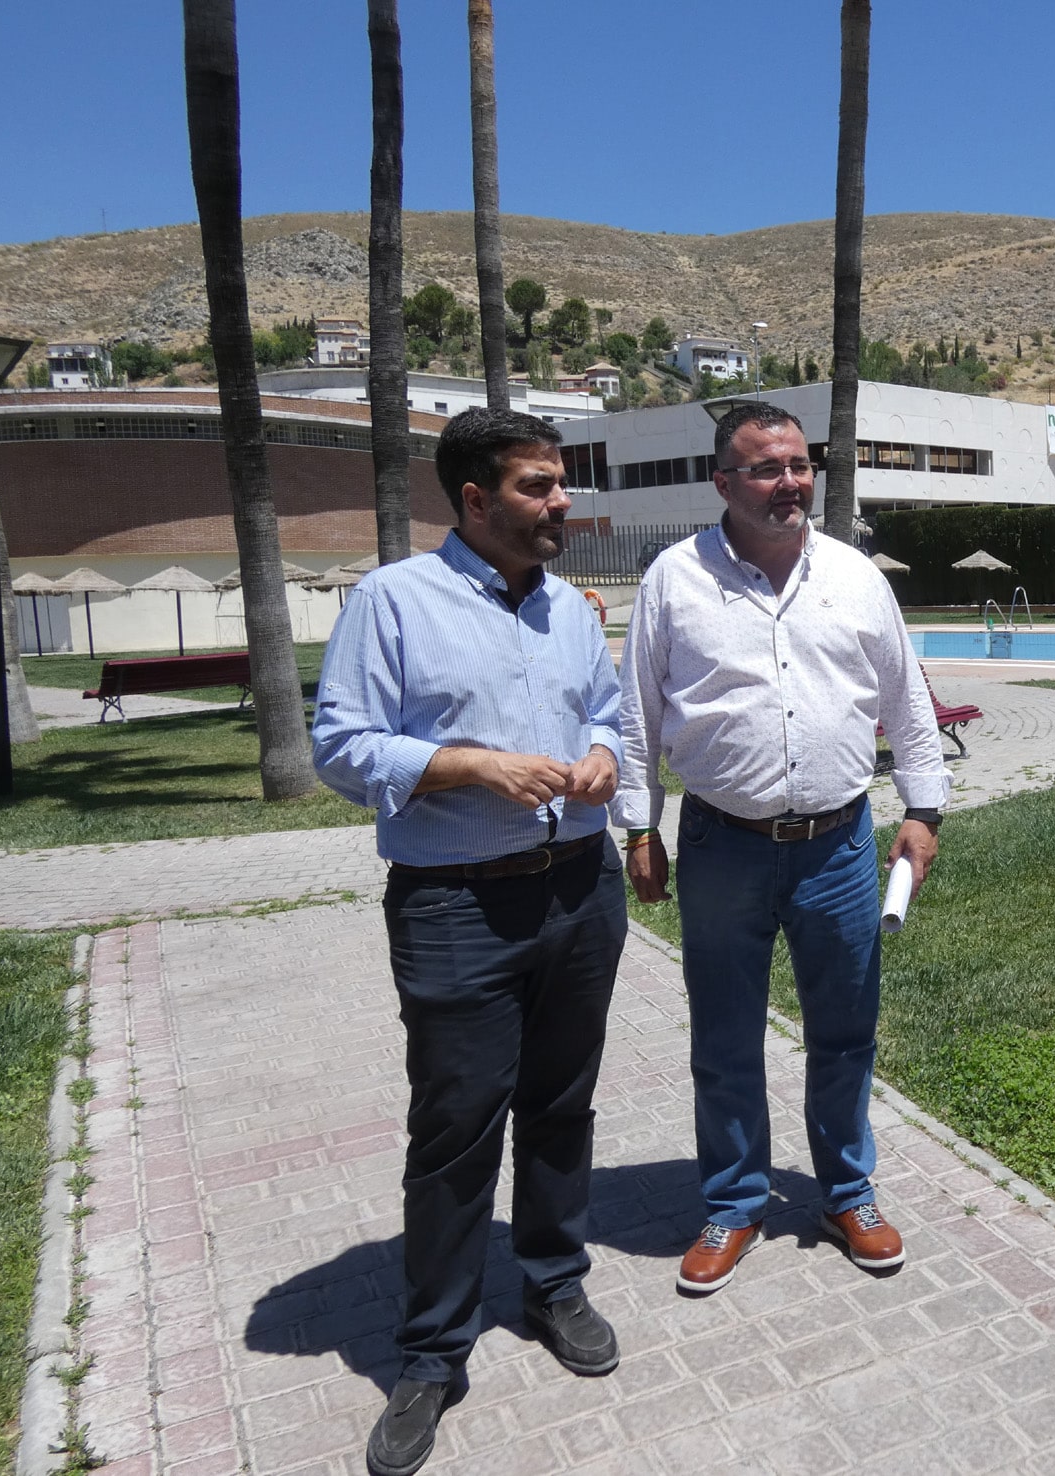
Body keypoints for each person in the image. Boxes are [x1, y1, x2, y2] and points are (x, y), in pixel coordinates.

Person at [312, 407, 629, 1476]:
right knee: (455, 1129)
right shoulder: (391, 601)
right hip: (455, 904)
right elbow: (342, 745)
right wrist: (470, 764)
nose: (561, 503)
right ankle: (430, 1351)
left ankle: (552, 1286)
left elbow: (611, 713)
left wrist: (596, 756)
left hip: (580, 891)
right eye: (540, 487)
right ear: (477, 499)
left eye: (560, 484)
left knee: (561, 1105)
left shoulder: (574, 612)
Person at [614, 399, 948, 1294]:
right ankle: (732, 1204)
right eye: (765, 468)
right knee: (724, 1035)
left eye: (799, 466)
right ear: (723, 481)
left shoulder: (854, 577)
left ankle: (847, 1192)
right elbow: (636, 717)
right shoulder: (673, 581)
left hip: (839, 847)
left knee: (844, 1032)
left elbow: (907, 704)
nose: (789, 482)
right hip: (720, 844)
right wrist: (639, 827)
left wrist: (925, 812)